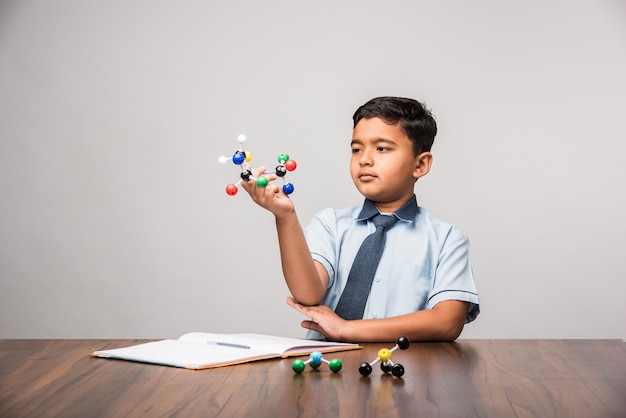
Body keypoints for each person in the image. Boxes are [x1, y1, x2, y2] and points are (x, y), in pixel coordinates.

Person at [241, 96, 479, 342]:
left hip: (405, 372)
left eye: (382, 148)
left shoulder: (447, 239)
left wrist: (346, 329)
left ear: (420, 164)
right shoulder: (330, 225)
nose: (364, 159)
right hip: (326, 372)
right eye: (357, 149)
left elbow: (448, 322)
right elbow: (308, 294)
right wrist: (285, 217)